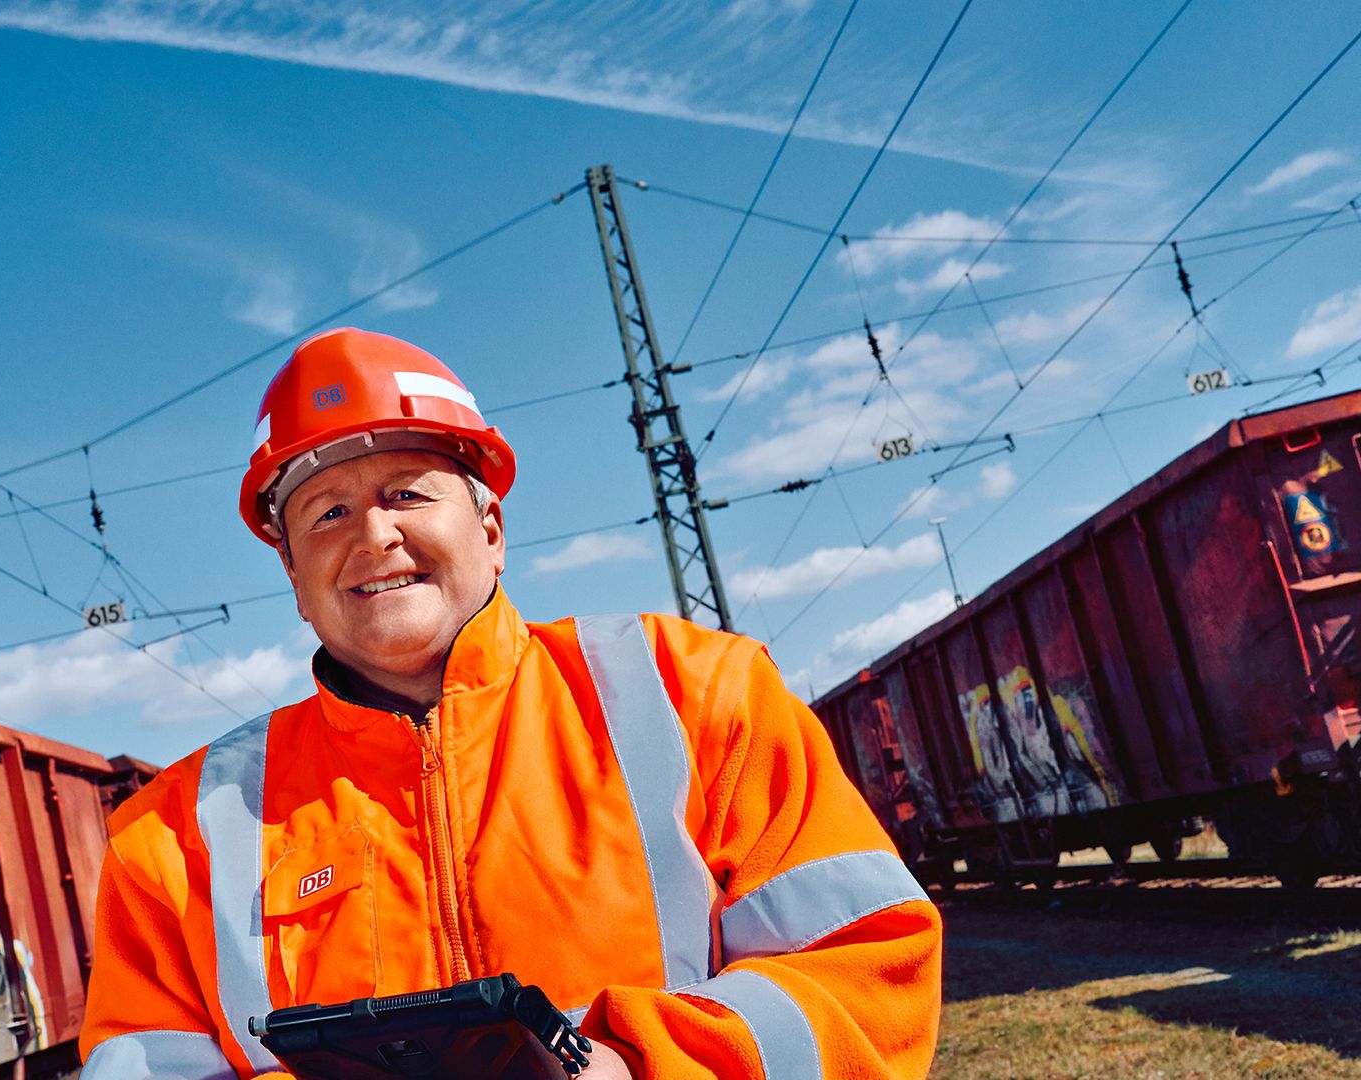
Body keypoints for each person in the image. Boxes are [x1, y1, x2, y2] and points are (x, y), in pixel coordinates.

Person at [80, 328, 943, 1079]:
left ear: (490, 531)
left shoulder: (696, 695)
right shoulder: (175, 840)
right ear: (295, 580)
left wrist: (640, 1063)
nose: (373, 534)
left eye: (407, 493)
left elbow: (871, 970)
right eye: (327, 512)